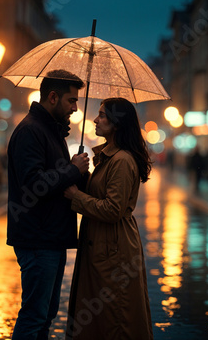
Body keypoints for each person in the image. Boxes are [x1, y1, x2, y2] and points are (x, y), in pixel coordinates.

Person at [7, 69, 88, 340]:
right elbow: (33, 185)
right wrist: (72, 170)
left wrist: (78, 172)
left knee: (46, 314)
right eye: (71, 101)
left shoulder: (51, 132)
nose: (76, 109)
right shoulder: (31, 131)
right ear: (53, 97)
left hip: (50, 237)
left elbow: (58, 182)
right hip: (37, 239)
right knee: (34, 316)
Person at [64, 98, 153, 339]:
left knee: (116, 318)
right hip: (104, 246)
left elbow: (113, 209)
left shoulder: (122, 161)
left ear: (116, 123)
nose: (95, 119)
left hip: (114, 249)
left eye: (102, 115)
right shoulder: (109, 158)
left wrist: (76, 196)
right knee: (101, 318)